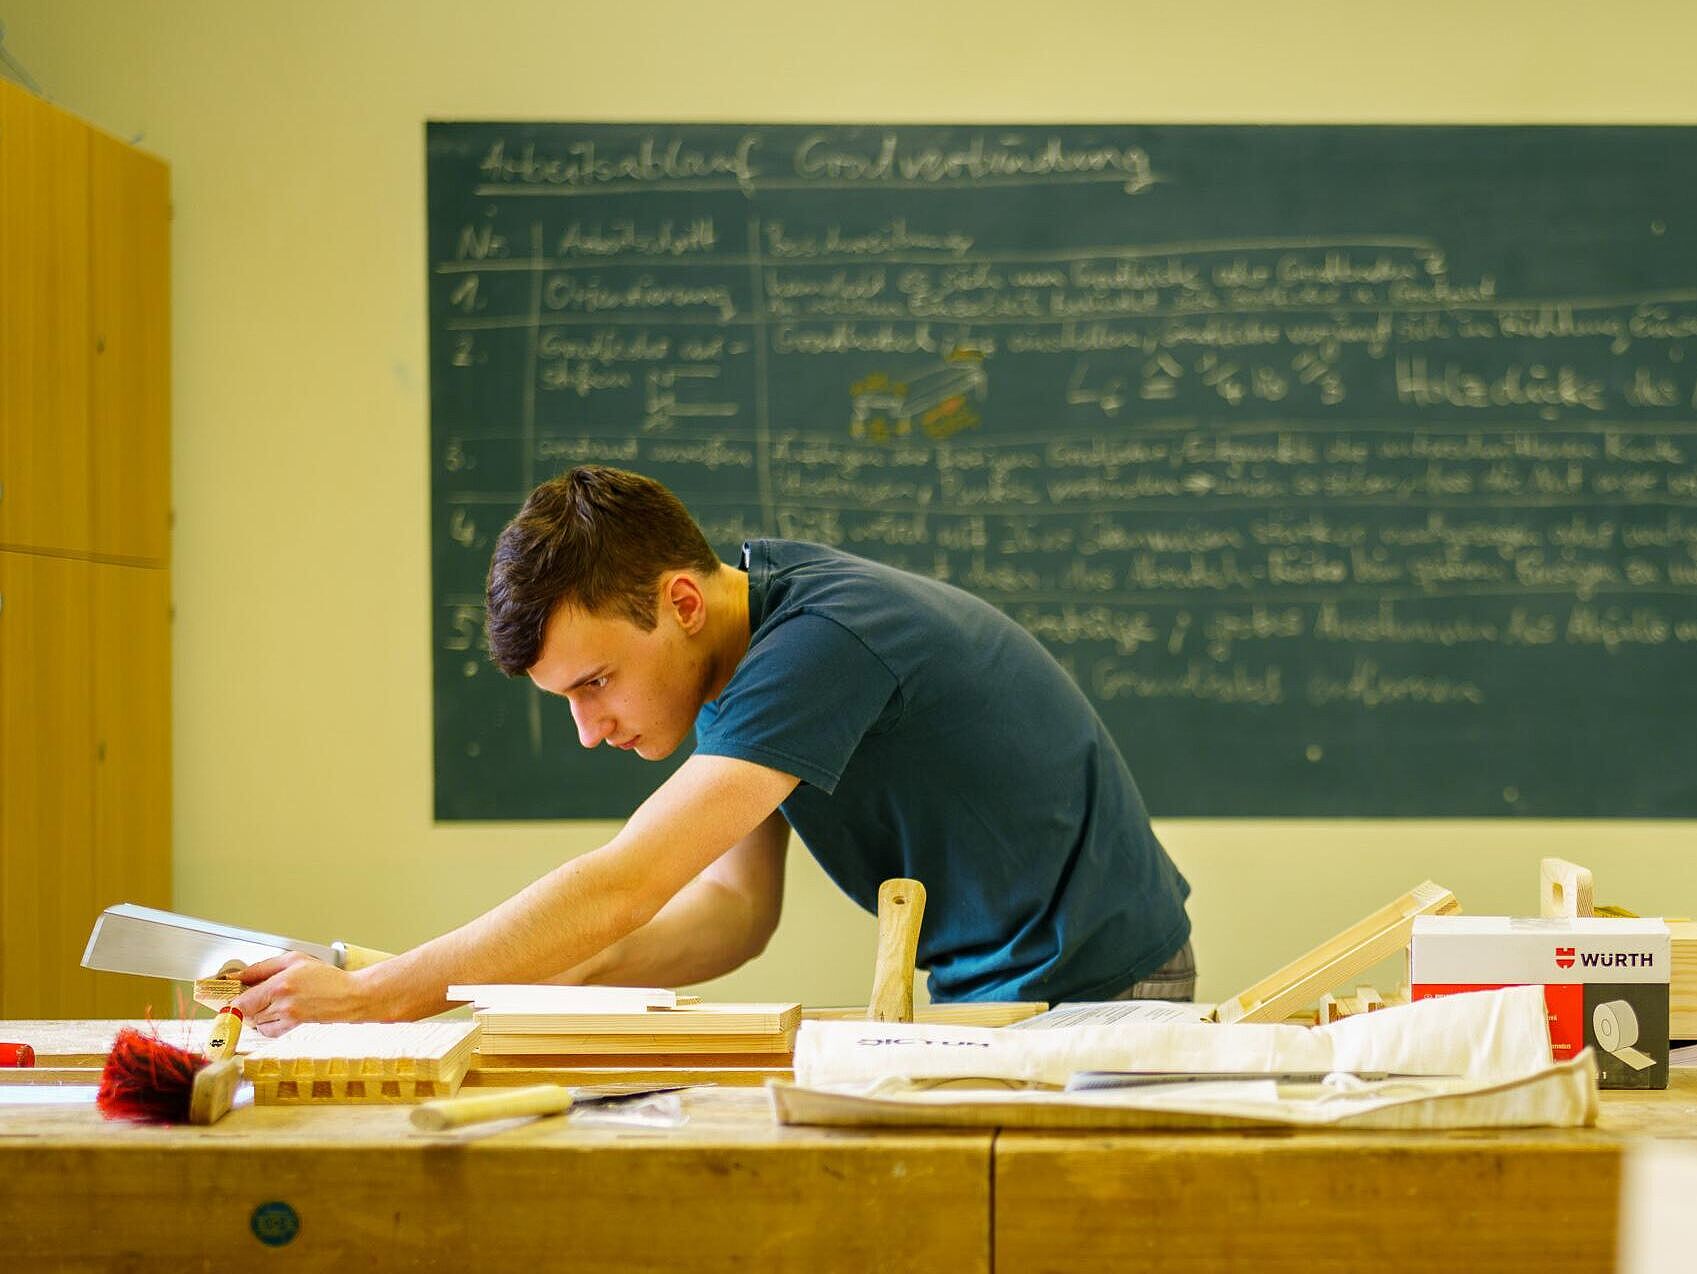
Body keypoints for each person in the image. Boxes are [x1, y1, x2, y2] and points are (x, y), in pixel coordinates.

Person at [233, 465, 1193, 1034]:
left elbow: (627, 883)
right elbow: (731, 914)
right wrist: (491, 990)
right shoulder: (748, 650)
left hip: (1097, 995)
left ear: (680, 604)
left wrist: (375, 998)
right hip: (1015, 992)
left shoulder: (817, 645)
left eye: (594, 682)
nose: (588, 728)